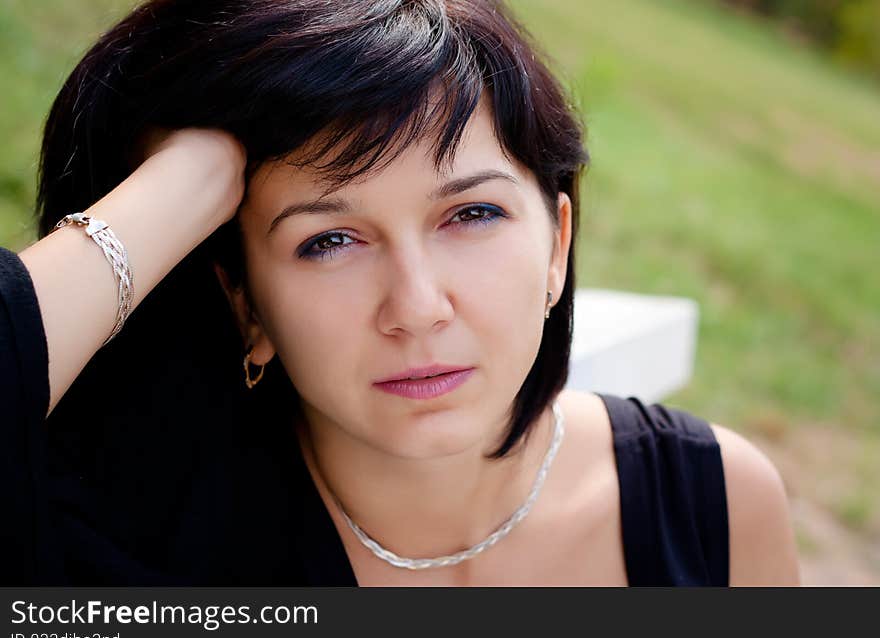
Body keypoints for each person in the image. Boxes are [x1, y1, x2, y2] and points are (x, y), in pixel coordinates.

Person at [0, 0, 800, 586]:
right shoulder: (149, 546)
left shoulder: (716, 506)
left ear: (557, 244)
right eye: (328, 240)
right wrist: (190, 176)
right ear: (247, 304)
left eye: (473, 213)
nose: (417, 307)